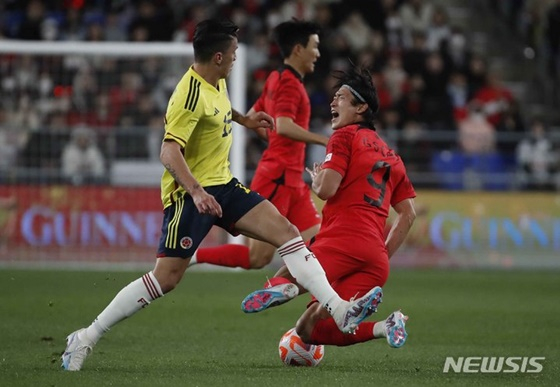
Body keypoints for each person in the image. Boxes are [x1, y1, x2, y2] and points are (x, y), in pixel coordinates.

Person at [61, 19, 383, 371]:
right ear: (217, 57)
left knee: (289, 234)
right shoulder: (187, 95)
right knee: (165, 279)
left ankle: (338, 308)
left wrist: (243, 119)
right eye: (232, 54)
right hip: (190, 196)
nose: (236, 59)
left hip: (225, 186)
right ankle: (86, 336)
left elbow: (217, 110)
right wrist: (196, 192)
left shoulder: (217, 82)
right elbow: (168, 153)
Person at [241, 65, 417, 349]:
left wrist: (318, 177)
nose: (333, 102)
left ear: (360, 108)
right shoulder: (393, 156)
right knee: (310, 330)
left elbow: (326, 189)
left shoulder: (345, 137)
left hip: (341, 240)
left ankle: (283, 287)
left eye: (341, 98)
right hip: (374, 258)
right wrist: (382, 254)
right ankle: (387, 325)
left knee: (291, 269)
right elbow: (408, 215)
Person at [190, 19, 328, 270]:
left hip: (293, 180)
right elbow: (283, 125)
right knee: (258, 258)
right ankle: (193, 257)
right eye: (315, 46)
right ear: (298, 49)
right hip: (277, 177)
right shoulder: (289, 83)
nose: (318, 53)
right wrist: (324, 140)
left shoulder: (276, 78)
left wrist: (272, 135)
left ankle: (301, 297)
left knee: (320, 248)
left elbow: (257, 115)